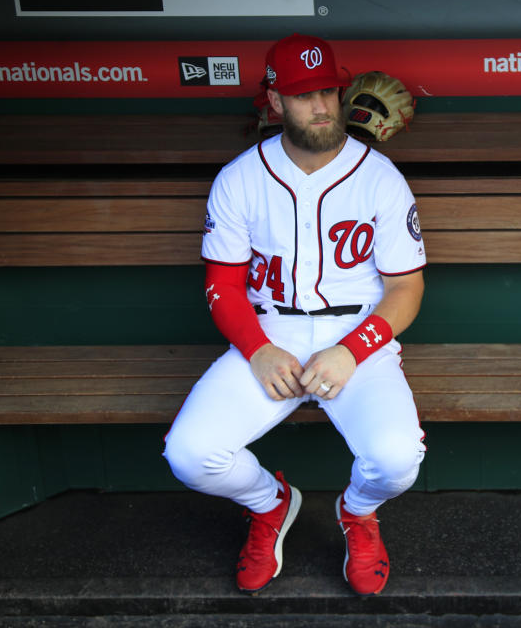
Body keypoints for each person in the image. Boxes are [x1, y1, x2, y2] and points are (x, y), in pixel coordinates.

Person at [164, 34, 427, 597]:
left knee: (397, 460)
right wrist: (257, 349)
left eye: (328, 90)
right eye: (304, 94)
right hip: (270, 330)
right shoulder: (239, 178)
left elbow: (405, 288)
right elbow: (223, 285)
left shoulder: (380, 177)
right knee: (189, 456)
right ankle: (270, 503)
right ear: (275, 100)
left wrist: (353, 349)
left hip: (355, 332)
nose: (321, 106)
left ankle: (357, 512)